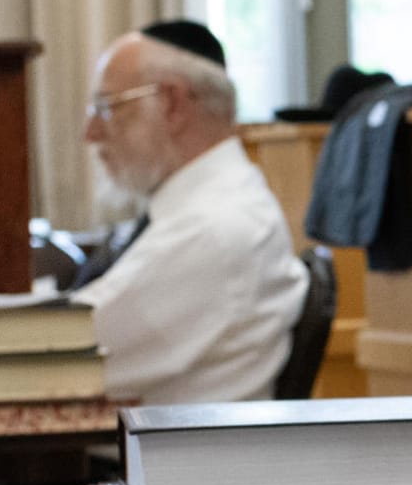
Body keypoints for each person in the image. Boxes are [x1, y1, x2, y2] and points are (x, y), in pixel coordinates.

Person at [75, 22, 309, 404]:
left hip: (160, 461)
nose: (91, 133)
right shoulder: (207, 207)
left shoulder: (213, 227)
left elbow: (64, 356)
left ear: (170, 103)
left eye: (107, 108)